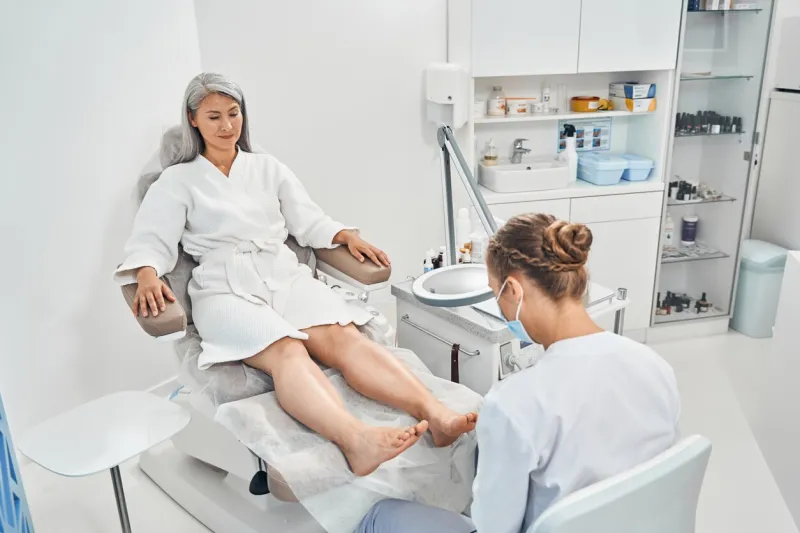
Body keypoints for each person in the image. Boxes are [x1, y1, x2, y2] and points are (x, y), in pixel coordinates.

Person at [114, 73, 477, 477]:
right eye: (214, 116)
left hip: (281, 273)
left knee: (343, 337)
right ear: (193, 119)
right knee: (288, 349)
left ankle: (435, 414)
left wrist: (341, 234)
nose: (227, 125)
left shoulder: (267, 168)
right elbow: (151, 238)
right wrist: (147, 272)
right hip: (224, 287)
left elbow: (307, 219)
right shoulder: (177, 181)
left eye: (233, 114)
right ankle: (356, 440)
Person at [357, 213, 680, 532]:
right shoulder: (655, 367)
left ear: (513, 289)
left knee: (380, 516)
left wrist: (500, 436)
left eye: (495, 293)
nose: (501, 308)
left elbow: (493, 527)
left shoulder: (514, 402)